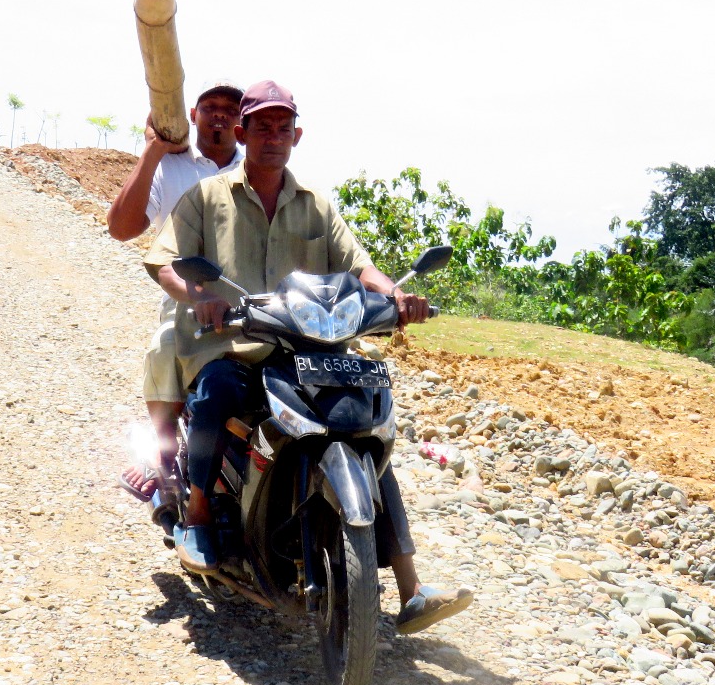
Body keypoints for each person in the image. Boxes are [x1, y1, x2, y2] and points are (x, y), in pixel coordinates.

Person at [144, 79, 473, 634]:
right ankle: (197, 513)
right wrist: (200, 299)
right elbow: (164, 261)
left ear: (297, 136)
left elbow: (359, 267)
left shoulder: (317, 205)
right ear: (244, 133)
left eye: (282, 128)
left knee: (361, 422)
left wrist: (393, 296)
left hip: (308, 348)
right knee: (217, 392)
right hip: (236, 344)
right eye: (262, 127)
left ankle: (411, 588)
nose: (272, 137)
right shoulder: (206, 197)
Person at [108, 82, 244, 501]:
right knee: (166, 348)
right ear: (192, 115)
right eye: (210, 107)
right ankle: (165, 465)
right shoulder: (173, 167)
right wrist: (152, 152)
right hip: (188, 294)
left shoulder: (256, 164)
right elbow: (122, 228)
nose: (219, 115)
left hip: (252, 296)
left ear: (242, 123)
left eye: (230, 109)